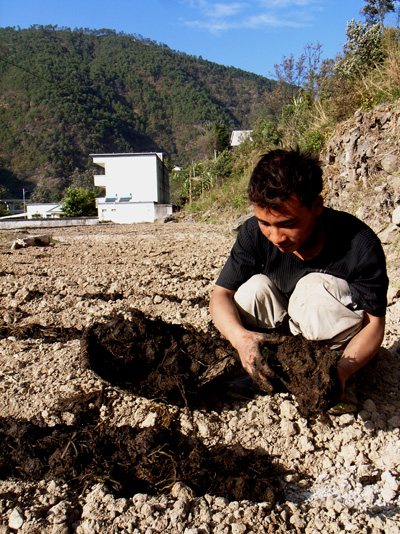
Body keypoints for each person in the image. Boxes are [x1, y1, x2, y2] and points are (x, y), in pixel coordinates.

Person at [209, 147, 388, 409]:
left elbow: (374, 325)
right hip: (282, 332)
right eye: (265, 223)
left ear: (316, 206)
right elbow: (220, 296)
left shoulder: (360, 244)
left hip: (332, 350)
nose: (276, 237)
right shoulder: (253, 233)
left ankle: (329, 378)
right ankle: (268, 368)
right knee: (252, 290)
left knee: (312, 290)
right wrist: (241, 340)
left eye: (288, 224)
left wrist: (340, 373)